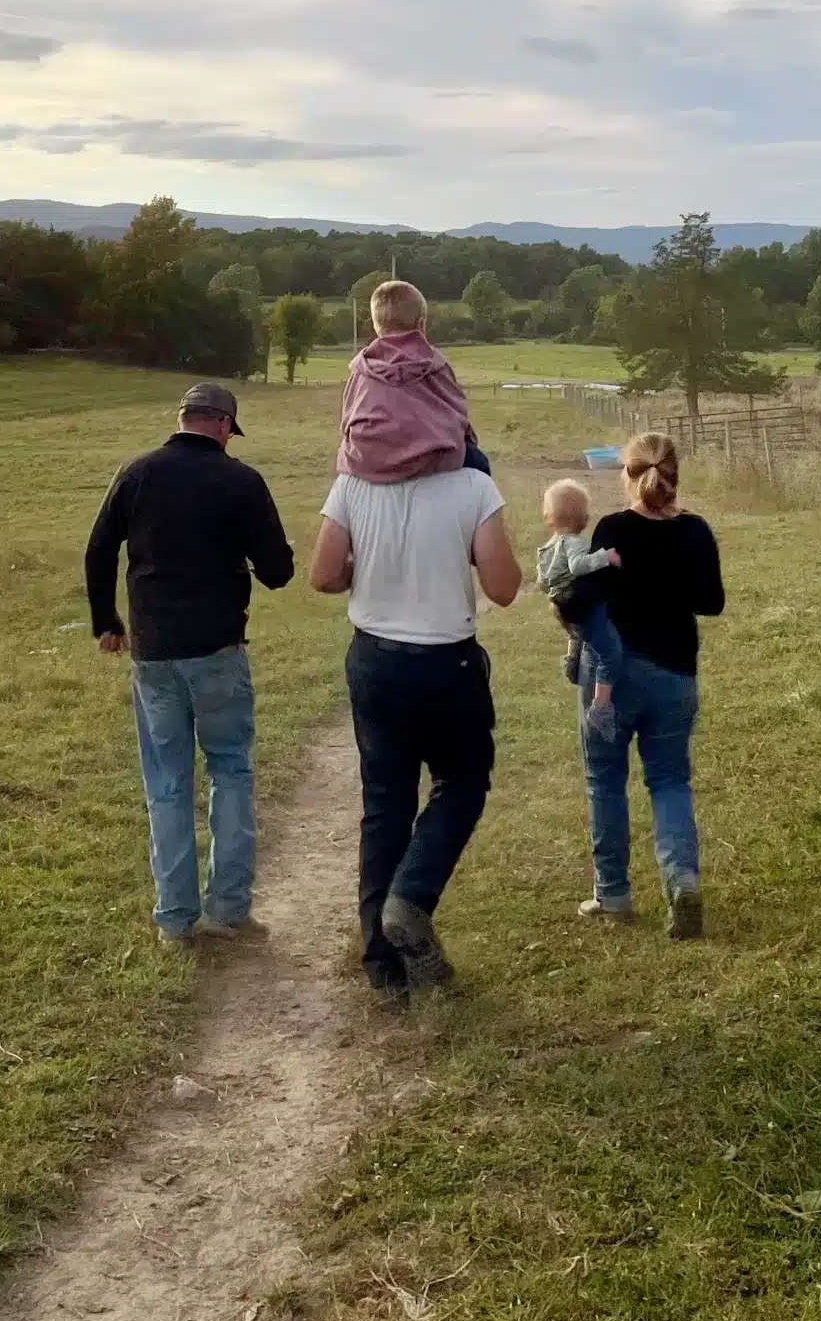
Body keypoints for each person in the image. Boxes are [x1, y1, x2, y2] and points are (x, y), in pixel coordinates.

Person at [84, 381, 294, 945]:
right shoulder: (241, 481)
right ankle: (230, 910)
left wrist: (107, 621)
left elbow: (99, 548)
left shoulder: (137, 472)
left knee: (168, 781)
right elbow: (278, 571)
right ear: (225, 426)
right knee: (230, 770)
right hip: (219, 649)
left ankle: (175, 920)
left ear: (181, 418)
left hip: (152, 653)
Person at [309, 446, 523, 993]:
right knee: (463, 781)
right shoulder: (473, 485)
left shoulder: (353, 481)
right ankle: (411, 897)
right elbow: (503, 588)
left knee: (385, 805)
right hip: (446, 662)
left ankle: (383, 967)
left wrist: (369, 566)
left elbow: (324, 575)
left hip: (375, 659)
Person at [560, 430, 723, 940]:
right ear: (676, 474)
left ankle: (613, 892)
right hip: (675, 673)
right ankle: (682, 881)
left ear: (626, 475)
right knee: (670, 780)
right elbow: (711, 602)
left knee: (605, 779)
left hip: (612, 674)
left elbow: (577, 600)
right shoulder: (696, 532)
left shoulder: (612, 529)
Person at [337, 278, 492, 480]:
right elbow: (458, 411)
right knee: (480, 463)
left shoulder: (360, 367)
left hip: (367, 458)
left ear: (376, 326)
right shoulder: (435, 362)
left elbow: (347, 420)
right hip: (432, 457)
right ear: (421, 324)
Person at [536, 478, 626, 735]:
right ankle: (601, 705)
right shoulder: (573, 542)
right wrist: (604, 557)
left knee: (577, 631)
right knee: (610, 653)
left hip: (561, 605)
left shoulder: (548, 547)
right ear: (583, 518)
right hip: (579, 603)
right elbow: (577, 566)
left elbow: (542, 581)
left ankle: (573, 657)